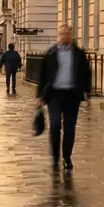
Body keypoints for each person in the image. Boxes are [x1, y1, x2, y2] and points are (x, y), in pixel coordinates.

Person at [38, 25, 91, 173]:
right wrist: (40, 96)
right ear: (58, 35)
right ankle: (55, 157)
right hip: (54, 95)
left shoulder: (79, 54)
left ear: (71, 35)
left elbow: (86, 73)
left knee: (69, 128)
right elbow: (43, 75)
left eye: (67, 34)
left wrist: (87, 92)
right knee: (55, 125)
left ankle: (67, 157)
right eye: (62, 34)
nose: (65, 36)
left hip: (72, 95)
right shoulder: (50, 53)